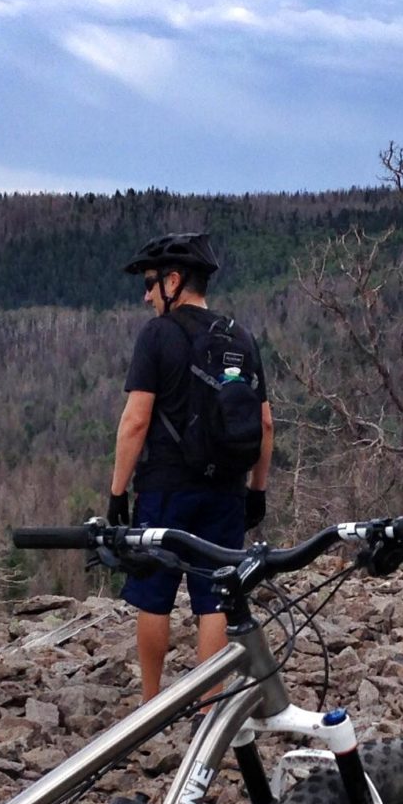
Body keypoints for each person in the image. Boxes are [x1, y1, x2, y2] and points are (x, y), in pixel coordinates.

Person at [105, 232, 274, 701]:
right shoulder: (240, 336)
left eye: (150, 284)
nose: (146, 295)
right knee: (215, 597)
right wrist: (256, 491)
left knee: (153, 593)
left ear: (174, 281)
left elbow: (136, 421)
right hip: (227, 490)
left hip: (165, 487)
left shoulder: (157, 335)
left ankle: (151, 701)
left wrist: (118, 493)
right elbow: (264, 424)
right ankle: (208, 706)